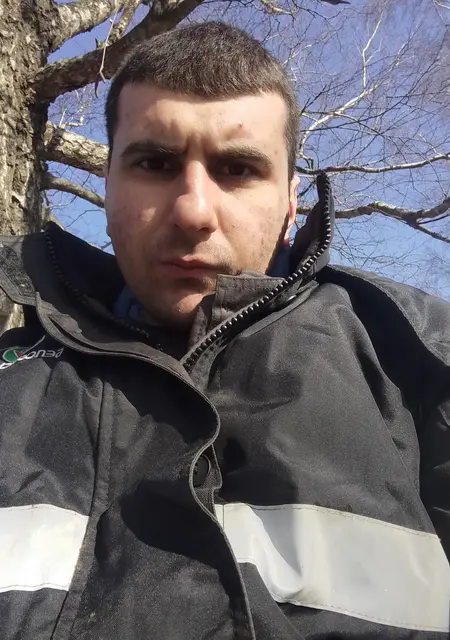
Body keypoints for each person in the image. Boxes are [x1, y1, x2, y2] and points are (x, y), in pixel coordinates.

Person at [0, 21, 448, 640]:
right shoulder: (12, 382)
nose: (192, 211)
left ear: (290, 202)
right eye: (154, 163)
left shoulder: (421, 351)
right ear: (108, 189)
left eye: (237, 168)